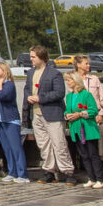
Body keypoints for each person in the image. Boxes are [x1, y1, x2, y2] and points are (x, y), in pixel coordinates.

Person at [26, 51, 72, 183]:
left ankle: (67, 171)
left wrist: (41, 98)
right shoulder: (30, 73)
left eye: (33, 57)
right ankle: (48, 170)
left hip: (52, 113)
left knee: (59, 143)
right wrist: (28, 97)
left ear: (41, 57)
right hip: (36, 113)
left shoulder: (54, 73)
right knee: (43, 144)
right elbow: (27, 89)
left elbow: (59, 93)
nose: (31, 59)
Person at [64, 60, 103, 187]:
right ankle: (91, 177)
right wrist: (67, 115)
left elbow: (92, 110)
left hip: (87, 127)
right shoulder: (69, 96)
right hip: (76, 128)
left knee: (93, 154)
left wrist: (80, 114)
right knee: (84, 155)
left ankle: (100, 179)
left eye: (69, 80)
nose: (68, 83)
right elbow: (67, 109)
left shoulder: (86, 94)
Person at [0, 60, 28, 181]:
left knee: (15, 147)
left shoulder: (9, 84)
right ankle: (12, 171)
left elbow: (1, 96)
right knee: (6, 147)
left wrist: (1, 84)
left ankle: (22, 173)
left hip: (10, 119)